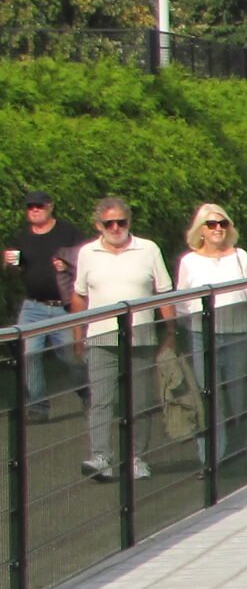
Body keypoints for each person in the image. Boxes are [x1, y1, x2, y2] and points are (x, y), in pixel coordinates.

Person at [70, 194, 172, 482]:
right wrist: (78, 334)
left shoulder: (148, 249)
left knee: (138, 400)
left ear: (129, 222)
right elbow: (79, 295)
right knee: (101, 399)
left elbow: (164, 292)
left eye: (121, 222)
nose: (115, 228)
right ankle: (100, 456)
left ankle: (136, 456)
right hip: (101, 335)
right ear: (99, 225)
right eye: (109, 223)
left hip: (140, 334)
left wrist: (171, 332)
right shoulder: (88, 253)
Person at [173, 202, 247, 465]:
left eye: (223, 223)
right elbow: (182, 302)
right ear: (200, 229)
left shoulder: (241, 256)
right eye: (212, 224)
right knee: (207, 397)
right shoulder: (188, 261)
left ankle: (239, 450)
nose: (218, 229)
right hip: (202, 335)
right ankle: (210, 456)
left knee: (239, 396)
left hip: (239, 333)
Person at [6, 191, 83, 417]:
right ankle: (38, 407)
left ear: (50, 207)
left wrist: (67, 267)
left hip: (63, 307)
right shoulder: (21, 238)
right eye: (30, 207)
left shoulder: (68, 232)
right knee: (29, 355)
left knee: (71, 356)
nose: (35, 210)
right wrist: (10, 265)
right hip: (33, 307)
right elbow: (15, 272)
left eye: (39, 206)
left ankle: (88, 392)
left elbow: (86, 262)